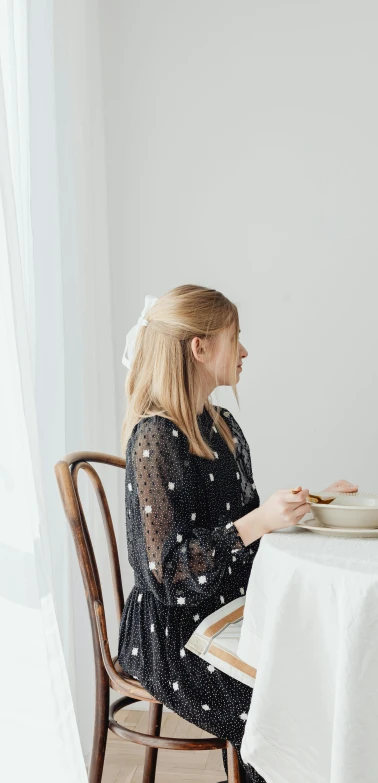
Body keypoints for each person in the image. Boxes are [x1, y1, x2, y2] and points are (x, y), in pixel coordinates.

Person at [117, 284, 357, 782]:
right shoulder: (155, 438)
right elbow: (167, 575)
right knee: (281, 707)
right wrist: (259, 521)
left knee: (328, 675)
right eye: (235, 337)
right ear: (199, 348)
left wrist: (309, 507)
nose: (244, 350)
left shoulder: (223, 425)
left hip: (232, 608)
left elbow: (244, 529)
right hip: (172, 634)